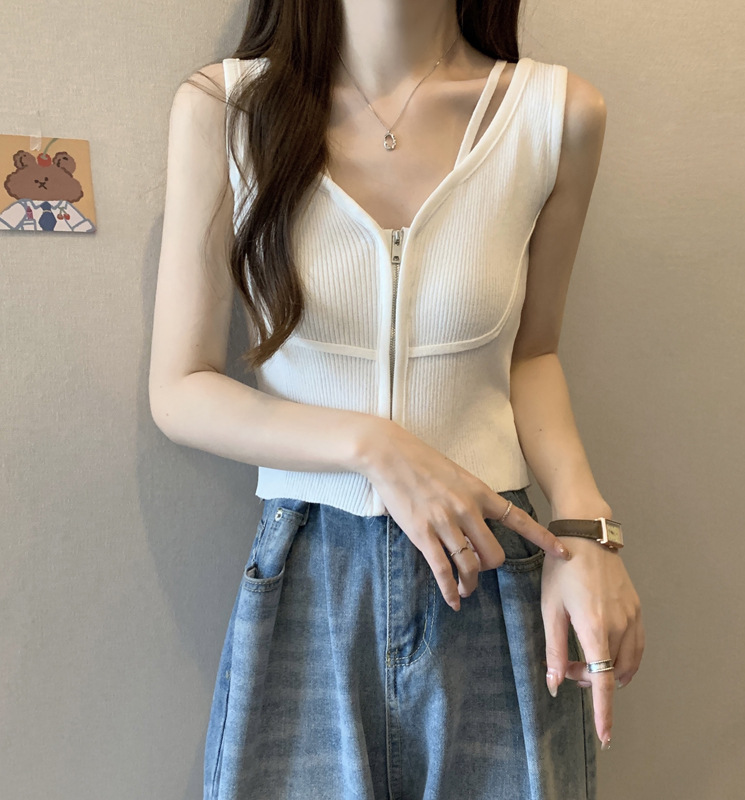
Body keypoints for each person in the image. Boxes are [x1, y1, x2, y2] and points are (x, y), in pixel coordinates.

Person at [149, 0, 644, 797]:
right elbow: (181, 389)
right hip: (309, 577)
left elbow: (533, 353)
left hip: (492, 568)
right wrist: (374, 447)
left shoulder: (557, 115)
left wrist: (586, 530)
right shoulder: (225, 110)